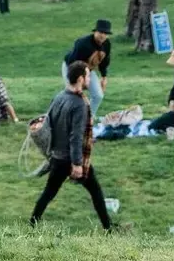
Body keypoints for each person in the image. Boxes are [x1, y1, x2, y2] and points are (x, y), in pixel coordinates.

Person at [29, 61, 112, 230]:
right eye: (88, 75)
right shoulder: (80, 104)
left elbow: (49, 122)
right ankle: (109, 228)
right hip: (70, 158)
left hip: (57, 157)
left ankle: (33, 222)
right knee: (96, 191)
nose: (90, 78)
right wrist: (77, 164)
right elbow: (76, 136)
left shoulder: (60, 96)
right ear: (81, 78)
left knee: (49, 192)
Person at [64, 20, 112, 115]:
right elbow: (72, 62)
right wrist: (77, 82)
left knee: (98, 95)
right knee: (72, 95)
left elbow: (104, 61)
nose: (103, 35)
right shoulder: (83, 43)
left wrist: (104, 77)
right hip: (70, 68)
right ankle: (66, 118)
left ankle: (88, 118)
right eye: (100, 32)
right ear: (95, 32)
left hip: (88, 70)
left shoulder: (106, 44)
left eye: (105, 33)